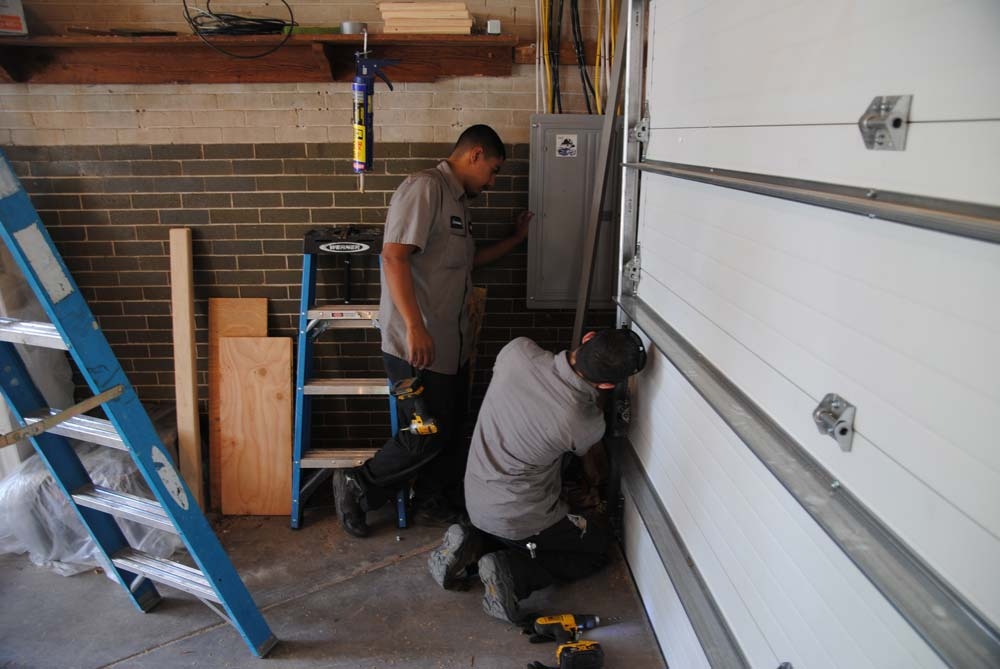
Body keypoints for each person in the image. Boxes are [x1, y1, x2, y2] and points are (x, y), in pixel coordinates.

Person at [332, 125, 532, 537]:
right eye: (493, 170)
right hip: (416, 345)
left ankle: (431, 502)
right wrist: (414, 326)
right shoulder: (426, 189)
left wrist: (516, 239)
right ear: (475, 155)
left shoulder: (458, 202)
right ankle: (358, 484)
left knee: (450, 430)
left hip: (448, 344)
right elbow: (393, 257)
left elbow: (468, 263)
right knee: (426, 433)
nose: (492, 182)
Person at [426, 328, 647, 624]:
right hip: (520, 517)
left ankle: (473, 541)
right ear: (607, 384)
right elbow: (591, 463)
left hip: (475, 497)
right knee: (595, 550)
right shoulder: (583, 421)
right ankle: (514, 573)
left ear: (587, 337)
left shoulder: (517, 352)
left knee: (519, 531)